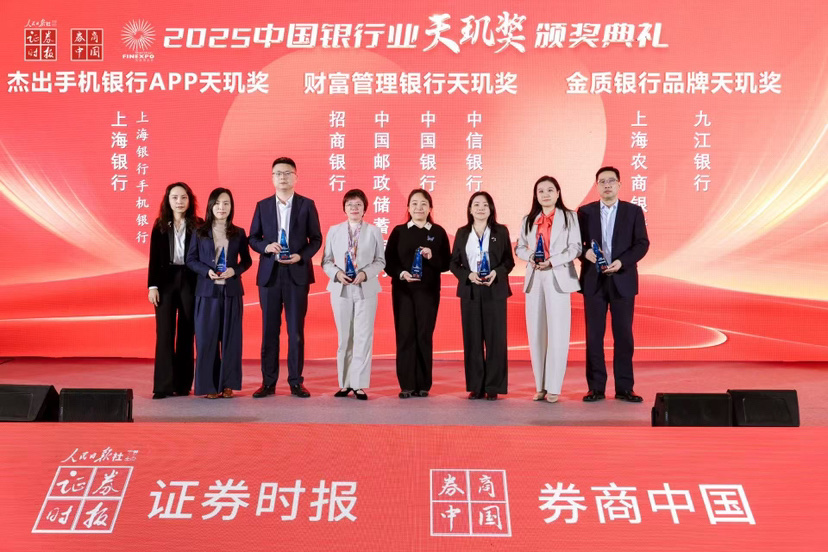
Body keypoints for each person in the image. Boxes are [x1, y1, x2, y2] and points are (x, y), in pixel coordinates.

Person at [249, 157, 323, 398]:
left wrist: (301, 256)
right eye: (278, 173)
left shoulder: (307, 205)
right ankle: (268, 382)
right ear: (272, 178)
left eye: (287, 173)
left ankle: (296, 382)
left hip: (296, 274)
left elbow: (316, 239)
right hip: (270, 276)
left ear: (296, 177)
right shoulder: (262, 206)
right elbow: (253, 238)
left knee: (296, 331)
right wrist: (266, 247)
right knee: (269, 331)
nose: (283, 177)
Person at [577, 166, 650, 403]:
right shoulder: (585, 212)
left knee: (624, 336)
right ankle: (596, 387)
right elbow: (576, 244)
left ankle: (625, 388)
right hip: (594, 281)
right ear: (596, 185)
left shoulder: (633, 211)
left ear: (619, 184)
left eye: (611, 181)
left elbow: (642, 243)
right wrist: (585, 254)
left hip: (623, 279)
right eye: (602, 181)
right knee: (594, 337)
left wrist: (621, 262)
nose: (607, 185)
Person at [515, 176, 582, 403]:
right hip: (535, 276)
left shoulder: (570, 217)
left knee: (558, 332)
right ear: (536, 195)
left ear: (558, 193)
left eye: (550, 190)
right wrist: (531, 257)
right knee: (536, 332)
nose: (545, 194)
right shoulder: (528, 219)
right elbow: (520, 247)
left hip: (558, 275)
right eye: (540, 191)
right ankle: (540, 386)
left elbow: (575, 248)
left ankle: (554, 387)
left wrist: (552, 261)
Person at [384, 189, 451, 398]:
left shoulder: (438, 232)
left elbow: (446, 264)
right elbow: (389, 262)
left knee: (424, 334)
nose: (419, 207)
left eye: (423, 204)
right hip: (403, 292)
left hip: (428, 293)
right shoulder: (399, 231)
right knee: (405, 334)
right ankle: (406, 384)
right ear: (408, 208)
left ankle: (423, 384)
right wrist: (401, 273)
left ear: (430, 208)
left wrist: (431, 256)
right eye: (414, 203)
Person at [186, 188, 252, 399]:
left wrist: (235, 270)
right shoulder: (200, 232)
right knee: (207, 340)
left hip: (231, 292)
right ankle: (209, 386)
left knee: (231, 340)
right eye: (217, 203)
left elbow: (247, 261)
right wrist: (206, 272)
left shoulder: (239, 232)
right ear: (210, 206)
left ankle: (228, 384)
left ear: (231, 207)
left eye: (226, 203)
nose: (221, 207)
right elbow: (191, 260)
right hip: (207, 293)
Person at [321, 189, 386, 400]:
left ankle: (359, 385)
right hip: (341, 289)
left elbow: (380, 261)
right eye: (350, 204)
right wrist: (337, 274)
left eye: (358, 204)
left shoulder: (373, 231)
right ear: (344, 208)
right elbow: (326, 261)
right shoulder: (334, 231)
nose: (354, 208)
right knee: (344, 337)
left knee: (363, 336)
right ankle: (345, 383)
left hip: (365, 289)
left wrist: (365, 274)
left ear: (365, 208)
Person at [449, 192, 514, 401]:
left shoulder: (501, 231)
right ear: (470, 209)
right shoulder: (462, 233)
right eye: (476, 205)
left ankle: (493, 386)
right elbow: (453, 263)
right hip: (470, 290)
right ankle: (476, 386)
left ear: (491, 209)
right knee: (472, 339)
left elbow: (509, 261)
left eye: (485, 205)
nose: (480, 208)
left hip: (495, 289)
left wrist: (496, 273)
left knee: (496, 339)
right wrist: (468, 275)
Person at [147, 182, 200, 399]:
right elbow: (153, 258)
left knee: (187, 332)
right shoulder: (160, 225)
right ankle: (163, 386)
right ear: (168, 201)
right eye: (175, 198)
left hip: (190, 281)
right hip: (165, 283)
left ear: (190, 201)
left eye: (183, 198)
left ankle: (183, 384)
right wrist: (152, 286)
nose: (179, 202)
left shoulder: (198, 225)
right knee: (165, 333)